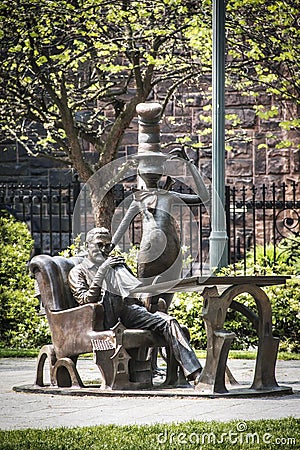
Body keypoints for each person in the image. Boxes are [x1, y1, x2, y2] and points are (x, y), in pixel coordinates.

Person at [68, 227, 202, 385]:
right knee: (111, 292)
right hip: (102, 316)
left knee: (168, 321)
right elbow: (85, 301)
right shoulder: (78, 272)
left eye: (108, 246)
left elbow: (132, 287)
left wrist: (141, 294)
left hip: (127, 310)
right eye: (99, 245)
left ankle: (196, 374)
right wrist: (102, 271)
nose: (104, 250)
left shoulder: (113, 265)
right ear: (87, 245)